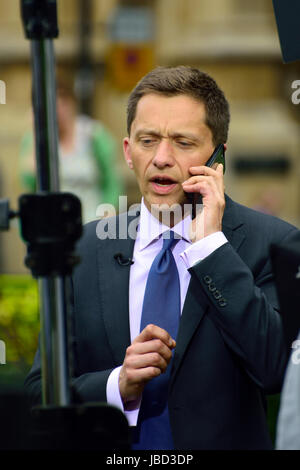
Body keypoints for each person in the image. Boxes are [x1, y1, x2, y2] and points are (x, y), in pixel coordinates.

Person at [25, 66, 300, 450]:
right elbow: (41, 393)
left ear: (218, 156)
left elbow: (276, 370)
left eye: (183, 142)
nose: (162, 158)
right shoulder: (82, 250)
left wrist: (210, 249)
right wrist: (117, 384)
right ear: (127, 151)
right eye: (148, 140)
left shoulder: (273, 243)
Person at [19, 77, 123, 223]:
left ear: (71, 103)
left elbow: (112, 183)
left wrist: (107, 215)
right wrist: (36, 133)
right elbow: (29, 183)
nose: (58, 110)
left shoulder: (93, 135)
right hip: (54, 228)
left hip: (92, 225)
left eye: (62, 101)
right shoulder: (33, 140)